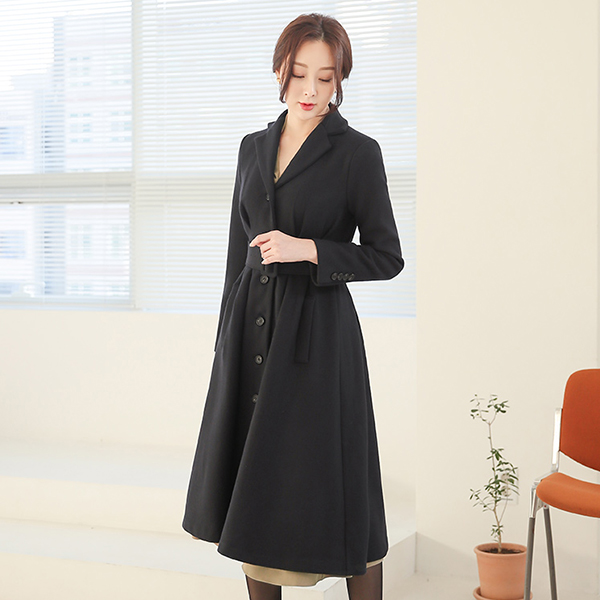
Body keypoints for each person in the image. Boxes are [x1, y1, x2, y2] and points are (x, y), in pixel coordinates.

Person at [182, 12, 404, 600]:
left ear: (340, 80)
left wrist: (309, 249)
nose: (311, 90)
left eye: (326, 78)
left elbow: (387, 256)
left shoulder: (358, 153)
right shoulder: (252, 147)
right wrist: (223, 342)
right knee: (250, 483)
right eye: (299, 73)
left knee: (337, 482)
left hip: (318, 336)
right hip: (250, 330)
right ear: (280, 70)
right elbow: (237, 253)